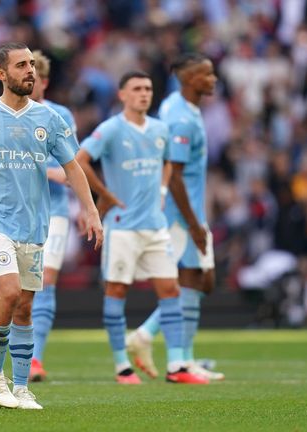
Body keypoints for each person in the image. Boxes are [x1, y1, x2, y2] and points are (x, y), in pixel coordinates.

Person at [0, 42, 103, 410]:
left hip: (33, 224)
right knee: (10, 293)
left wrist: (90, 210)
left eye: (32, 64)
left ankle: (22, 386)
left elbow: (73, 167)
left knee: (25, 308)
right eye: (21, 65)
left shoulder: (49, 119)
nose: (30, 70)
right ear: (1, 74)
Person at [76, 70, 208, 385]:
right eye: (136, 89)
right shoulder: (110, 129)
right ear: (122, 95)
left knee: (170, 290)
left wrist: (162, 191)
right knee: (117, 290)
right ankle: (122, 366)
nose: (144, 94)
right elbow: (80, 160)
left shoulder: (161, 130)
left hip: (154, 225)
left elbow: (167, 163)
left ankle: (177, 366)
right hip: (122, 227)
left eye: (148, 88)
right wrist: (104, 194)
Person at [124, 53, 225, 381]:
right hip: (182, 213)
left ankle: (183, 356)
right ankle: (166, 351)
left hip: (189, 209)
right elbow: (176, 174)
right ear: (188, 79)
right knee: (193, 280)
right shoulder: (181, 118)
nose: (213, 79)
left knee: (197, 281)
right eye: (206, 74)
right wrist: (194, 224)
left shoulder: (177, 107)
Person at [25, 50, 78, 382]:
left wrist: (41, 167)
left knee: (46, 281)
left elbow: (72, 167)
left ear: (43, 82)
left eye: (33, 80)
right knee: (16, 289)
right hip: (15, 211)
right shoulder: (1, 115)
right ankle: (15, 355)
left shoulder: (59, 115)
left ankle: (35, 359)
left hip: (54, 211)